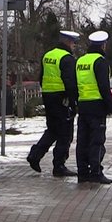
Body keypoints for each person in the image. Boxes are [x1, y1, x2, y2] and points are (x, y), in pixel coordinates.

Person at [26, 31, 80, 176]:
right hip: (62, 99)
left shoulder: (47, 55)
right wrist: (74, 102)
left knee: (52, 130)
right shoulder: (67, 59)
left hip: (49, 97)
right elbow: (71, 83)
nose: (74, 46)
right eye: (74, 43)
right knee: (65, 134)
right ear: (68, 42)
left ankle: (35, 155)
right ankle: (59, 166)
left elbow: (41, 77)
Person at [75, 31, 112, 184]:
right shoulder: (101, 61)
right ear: (103, 45)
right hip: (97, 107)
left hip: (83, 106)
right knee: (97, 141)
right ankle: (96, 172)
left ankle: (82, 173)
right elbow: (104, 86)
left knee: (82, 141)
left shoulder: (80, 61)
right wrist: (111, 106)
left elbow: (75, 85)